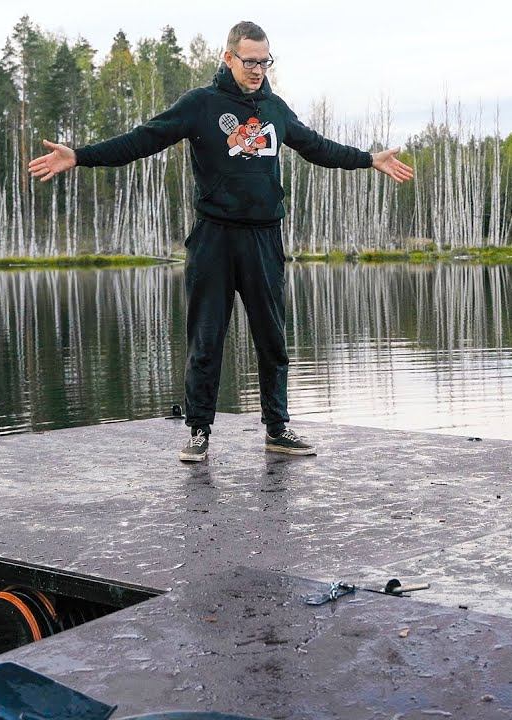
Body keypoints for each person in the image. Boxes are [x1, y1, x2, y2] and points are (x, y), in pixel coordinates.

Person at [28, 20, 414, 462]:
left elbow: (317, 147)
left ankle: (277, 429)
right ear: (228, 57)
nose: (258, 70)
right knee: (206, 339)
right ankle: (198, 431)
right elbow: (142, 141)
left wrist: (368, 159)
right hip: (214, 238)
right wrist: (80, 156)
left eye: (265, 62)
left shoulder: (275, 109)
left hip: (264, 238)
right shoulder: (201, 104)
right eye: (250, 62)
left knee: (272, 339)